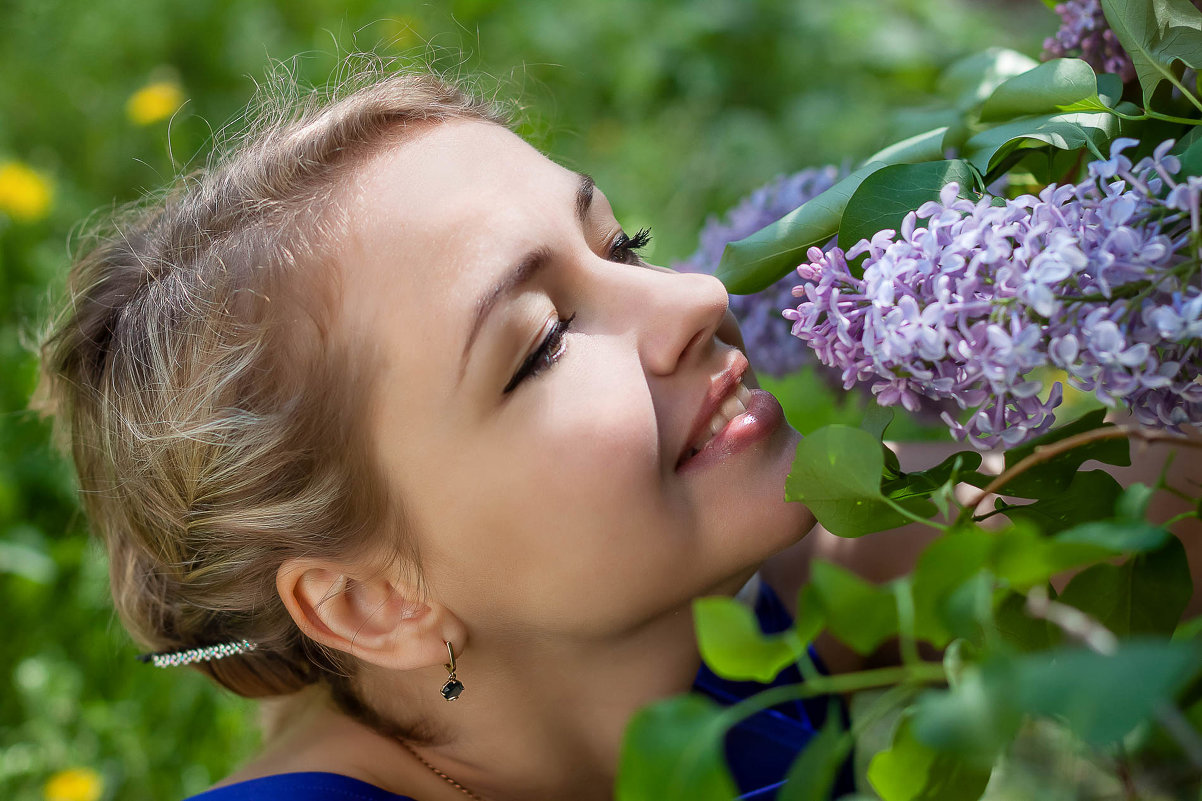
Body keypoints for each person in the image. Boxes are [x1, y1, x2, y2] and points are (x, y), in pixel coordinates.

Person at [35, 67, 1202, 801]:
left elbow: (1138, 510)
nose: (694, 295)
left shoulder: (788, 609)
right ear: (370, 602)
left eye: (623, 245)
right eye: (541, 342)